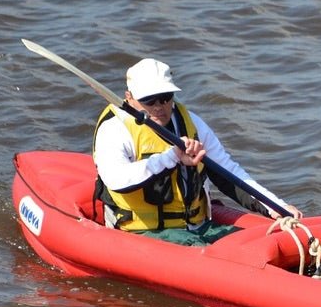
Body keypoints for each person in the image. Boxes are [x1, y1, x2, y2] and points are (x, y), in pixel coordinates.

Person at [92, 58, 302, 246]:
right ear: (129, 97)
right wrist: (173, 157)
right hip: (144, 232)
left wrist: (276, 207)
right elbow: (118, 180)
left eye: (165, 97)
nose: (159, 107)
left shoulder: (191, 123)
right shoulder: (114, 129)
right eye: (150, 100)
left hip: (197, 227)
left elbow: (228, 171)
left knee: (259, 244)